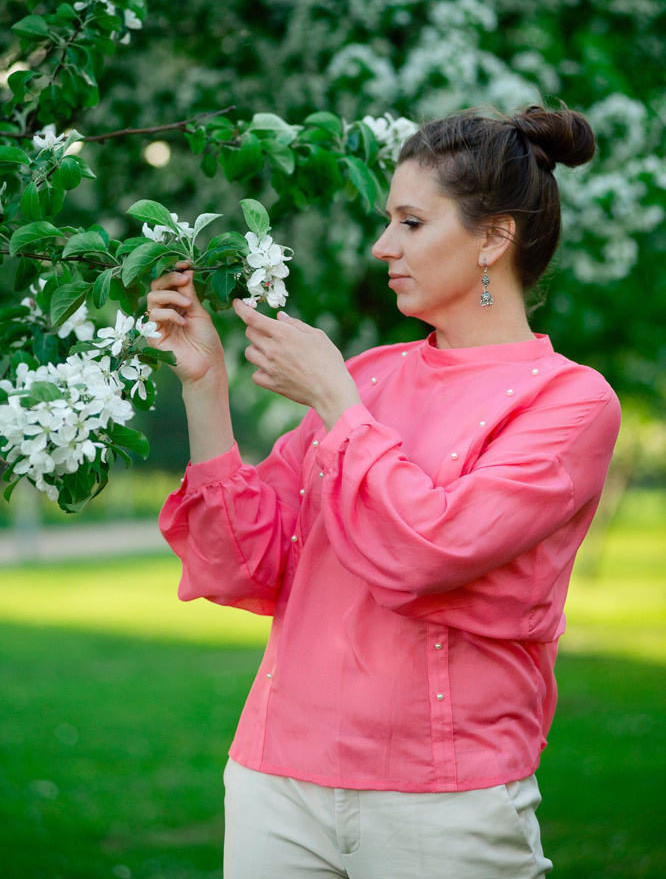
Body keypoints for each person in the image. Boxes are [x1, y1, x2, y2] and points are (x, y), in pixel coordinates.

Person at [148, 103, 621, 879]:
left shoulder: (569, 404)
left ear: (493, 238)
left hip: (445, 802)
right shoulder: (368, 375)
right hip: (277, 784)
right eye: (386, 221)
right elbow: (247, 564)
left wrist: (337, 405)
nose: (382, 247)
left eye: (409, 222)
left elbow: (431, 549)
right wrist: (205, 385)